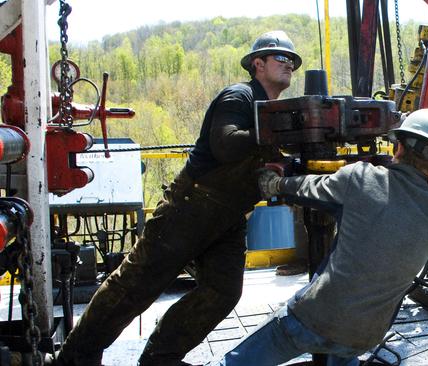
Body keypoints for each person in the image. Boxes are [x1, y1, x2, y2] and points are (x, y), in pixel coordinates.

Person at [52, 30, 302, 366]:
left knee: (222, 291)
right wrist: (277, 131)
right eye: (280, 58)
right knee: (135, 286)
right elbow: (225, 143)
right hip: (189, 208)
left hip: (227, 219)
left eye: (292, 61)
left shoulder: (273, 113)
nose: (289, 65)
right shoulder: (239, 98)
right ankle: (74, 358)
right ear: (258, 64)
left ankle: (160, 358)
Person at [213, 108, 428, 366]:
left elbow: (309, 188)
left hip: (313, 318)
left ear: (397, 146)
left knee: (238, 361)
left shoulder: (361, 178)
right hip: (365, 336)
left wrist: (275, 184)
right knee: (343, 348)